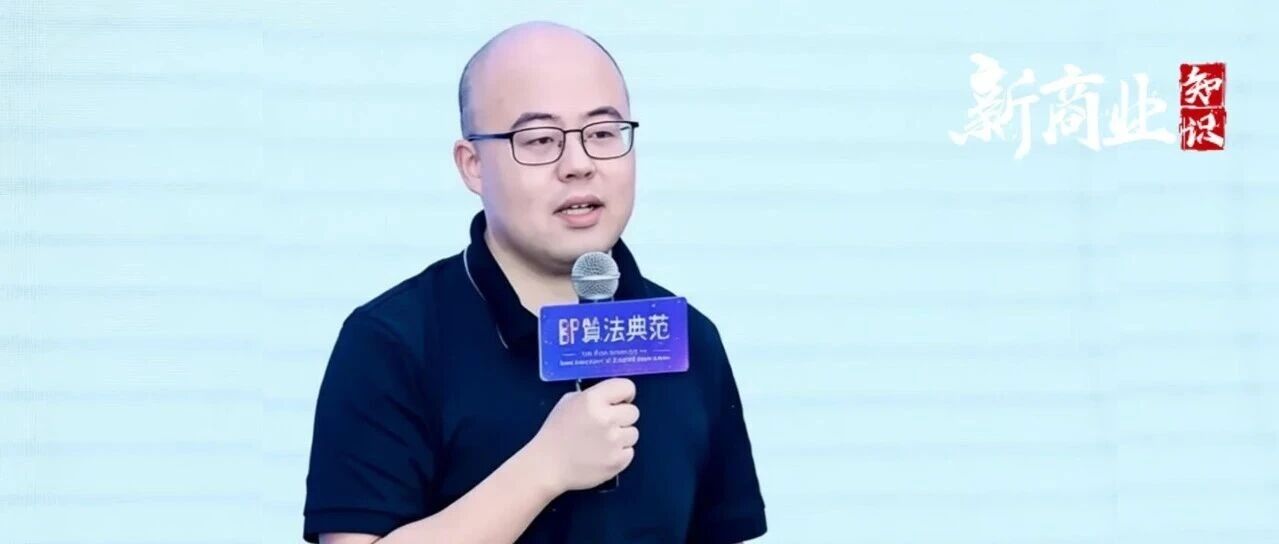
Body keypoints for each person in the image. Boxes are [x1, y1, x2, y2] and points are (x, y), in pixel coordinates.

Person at [303, 21, 766, 544]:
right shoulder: (393, 342)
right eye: (541, 140)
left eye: (602, 133)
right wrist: (544, 468)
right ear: (473, 165)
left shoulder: (684, 338)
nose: (579, 165)